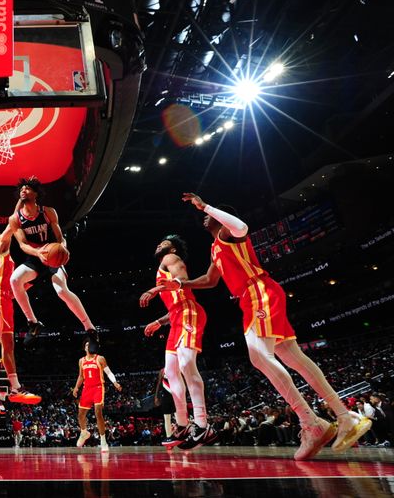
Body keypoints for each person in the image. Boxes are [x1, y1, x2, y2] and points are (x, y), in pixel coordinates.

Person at [161, 193, 372, 460]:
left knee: (259, 355)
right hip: (254, 297)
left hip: (258, 292)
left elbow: (242, 227)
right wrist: (181, 285)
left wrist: (208, 206)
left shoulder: (229, 233)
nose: (203, 218)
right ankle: (342, 416)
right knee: (293, 357)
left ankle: (311, 422)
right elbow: (209, 280)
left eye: (207, 215)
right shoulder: (216, 248)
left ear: (217, 217)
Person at [141, 234, 216, 450]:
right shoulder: (163, 267)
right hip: (175, 318)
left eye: (164, 242)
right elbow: (175, 300)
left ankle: (202, 425)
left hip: (188, 313)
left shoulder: (171, 260)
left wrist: (155, 289)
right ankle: (182, 425)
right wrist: (158, 321)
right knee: (171, 373)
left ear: (172, 249)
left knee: (185, 365)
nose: (159, 244)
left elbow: (182, 284)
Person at [8, 177, 98, 349]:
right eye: (21, 189)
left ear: (36, 194)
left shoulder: (48, 212)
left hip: (53, 257)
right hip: (35, 258)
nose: (23, 191)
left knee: (62, 291)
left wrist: (64, 248)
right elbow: (22, 245)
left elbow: (60, 238)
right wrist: (37, 253)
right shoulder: (15, 219)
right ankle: (33, 323)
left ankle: (90, 329)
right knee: (14, 281)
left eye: (27, 188)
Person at [0, 215, 42, 413]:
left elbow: (17, 289)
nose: (0, 239)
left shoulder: (10, 261)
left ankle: (15, 388)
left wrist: (35, 278)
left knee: (9, 345)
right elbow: (8, 231)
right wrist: (18, 215)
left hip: (7, 300)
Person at [72, 339, 122, 453]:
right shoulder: (81, 361)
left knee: (98, 412)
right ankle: (84, 433)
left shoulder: (99, 358)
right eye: (86, 345)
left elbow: (108, 372)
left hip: (98, 388)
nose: (87, 346)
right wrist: (76, 387)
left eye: (89, 345)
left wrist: (115, 382)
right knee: (80, 415)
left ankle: (103, 441)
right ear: (84, 348)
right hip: (86, 389)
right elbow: (81, 376)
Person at [152, 367, 176, 448]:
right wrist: (156, 397)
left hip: (175, 395)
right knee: (166, 418)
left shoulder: (176, 368)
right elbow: (159, 383)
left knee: (178, 417)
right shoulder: (162, 371)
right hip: (165, 396)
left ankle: (181, 436)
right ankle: (169, 438)